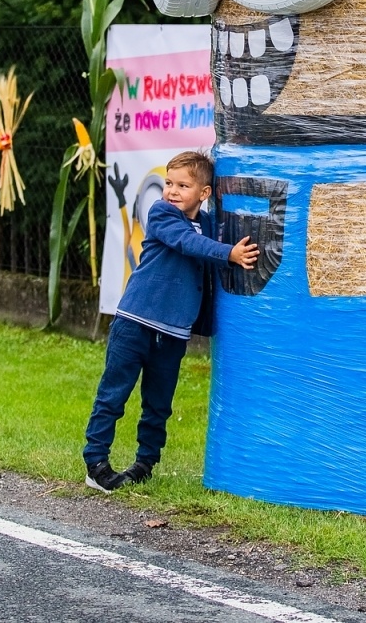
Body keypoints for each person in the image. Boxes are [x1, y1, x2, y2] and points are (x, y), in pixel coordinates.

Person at [82, 151, 259, 492]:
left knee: (159, 403)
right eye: (168, 183)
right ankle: (96, 462)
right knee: (113, 395)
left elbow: (206, 244)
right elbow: (188, 243)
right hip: (135, 322)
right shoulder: (161, 213)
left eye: (182, 185)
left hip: (173, 333)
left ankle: (145, 463)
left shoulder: (209, 223)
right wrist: (228, 253)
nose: (172, 191)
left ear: (204, 193)